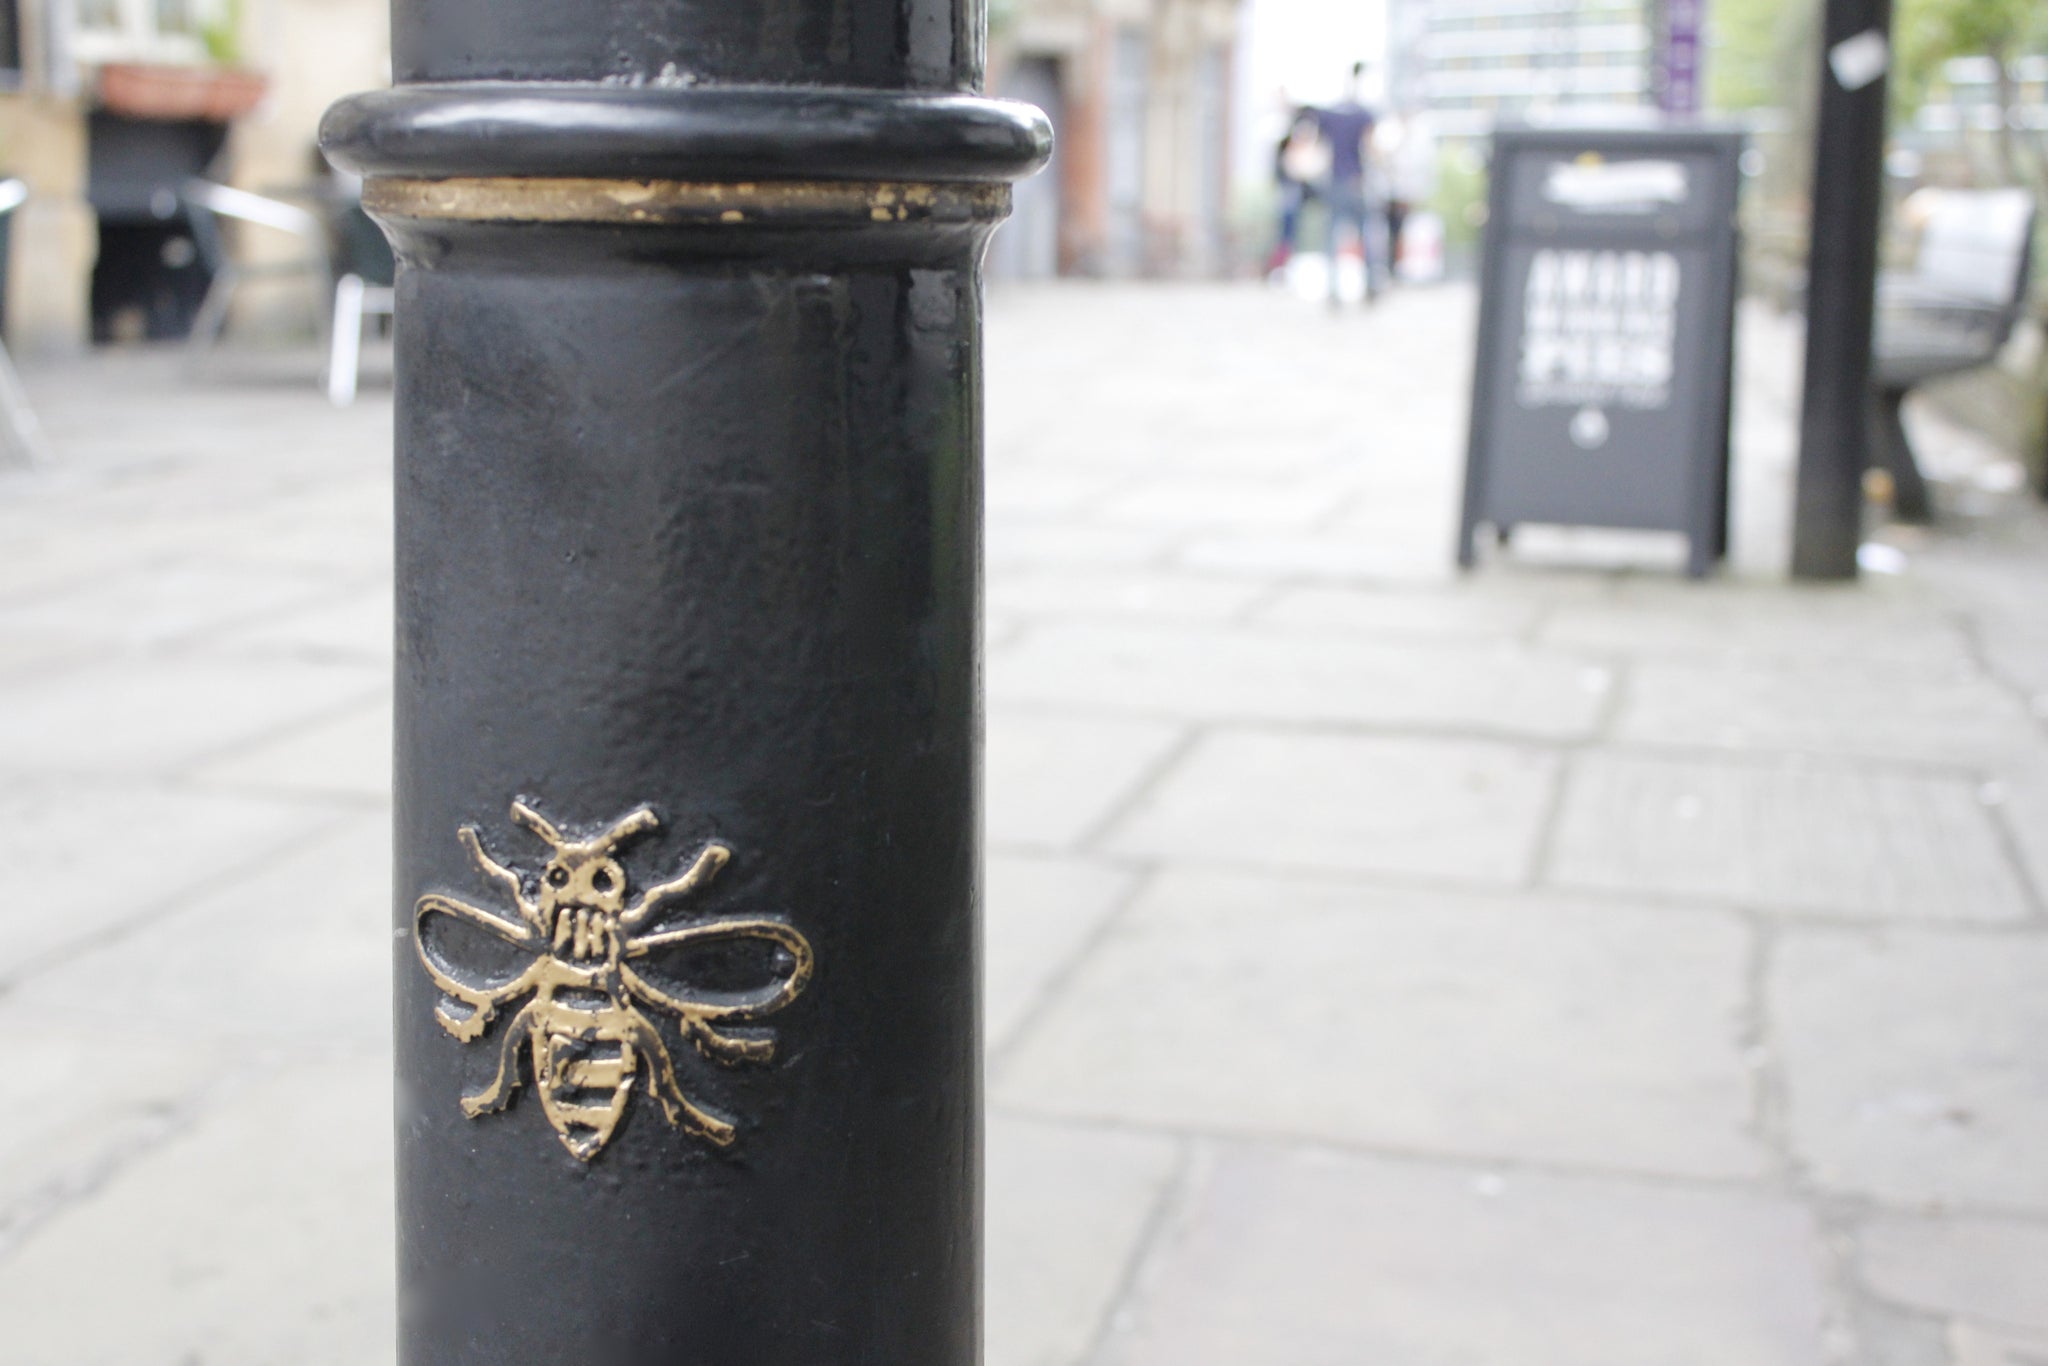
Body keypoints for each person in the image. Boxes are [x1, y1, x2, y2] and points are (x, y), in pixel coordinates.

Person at [1315, 63, 1381, 306]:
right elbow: (1371, 148)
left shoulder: (1329, 114)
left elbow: (1320, 147)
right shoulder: (1363, 114)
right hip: (1356, 180)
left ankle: (1333, 290)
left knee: (1332, 236)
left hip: (1335, 181)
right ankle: (1371, 285)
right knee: (1365, 233)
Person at [1267, 109, 1328, 278]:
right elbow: (1281, 172)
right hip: (1292, 192)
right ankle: (1281, 266)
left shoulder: (1318, 146)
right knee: (1287, 225)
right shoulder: (1285, 146)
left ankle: (1315, 264)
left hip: (1312, 193)